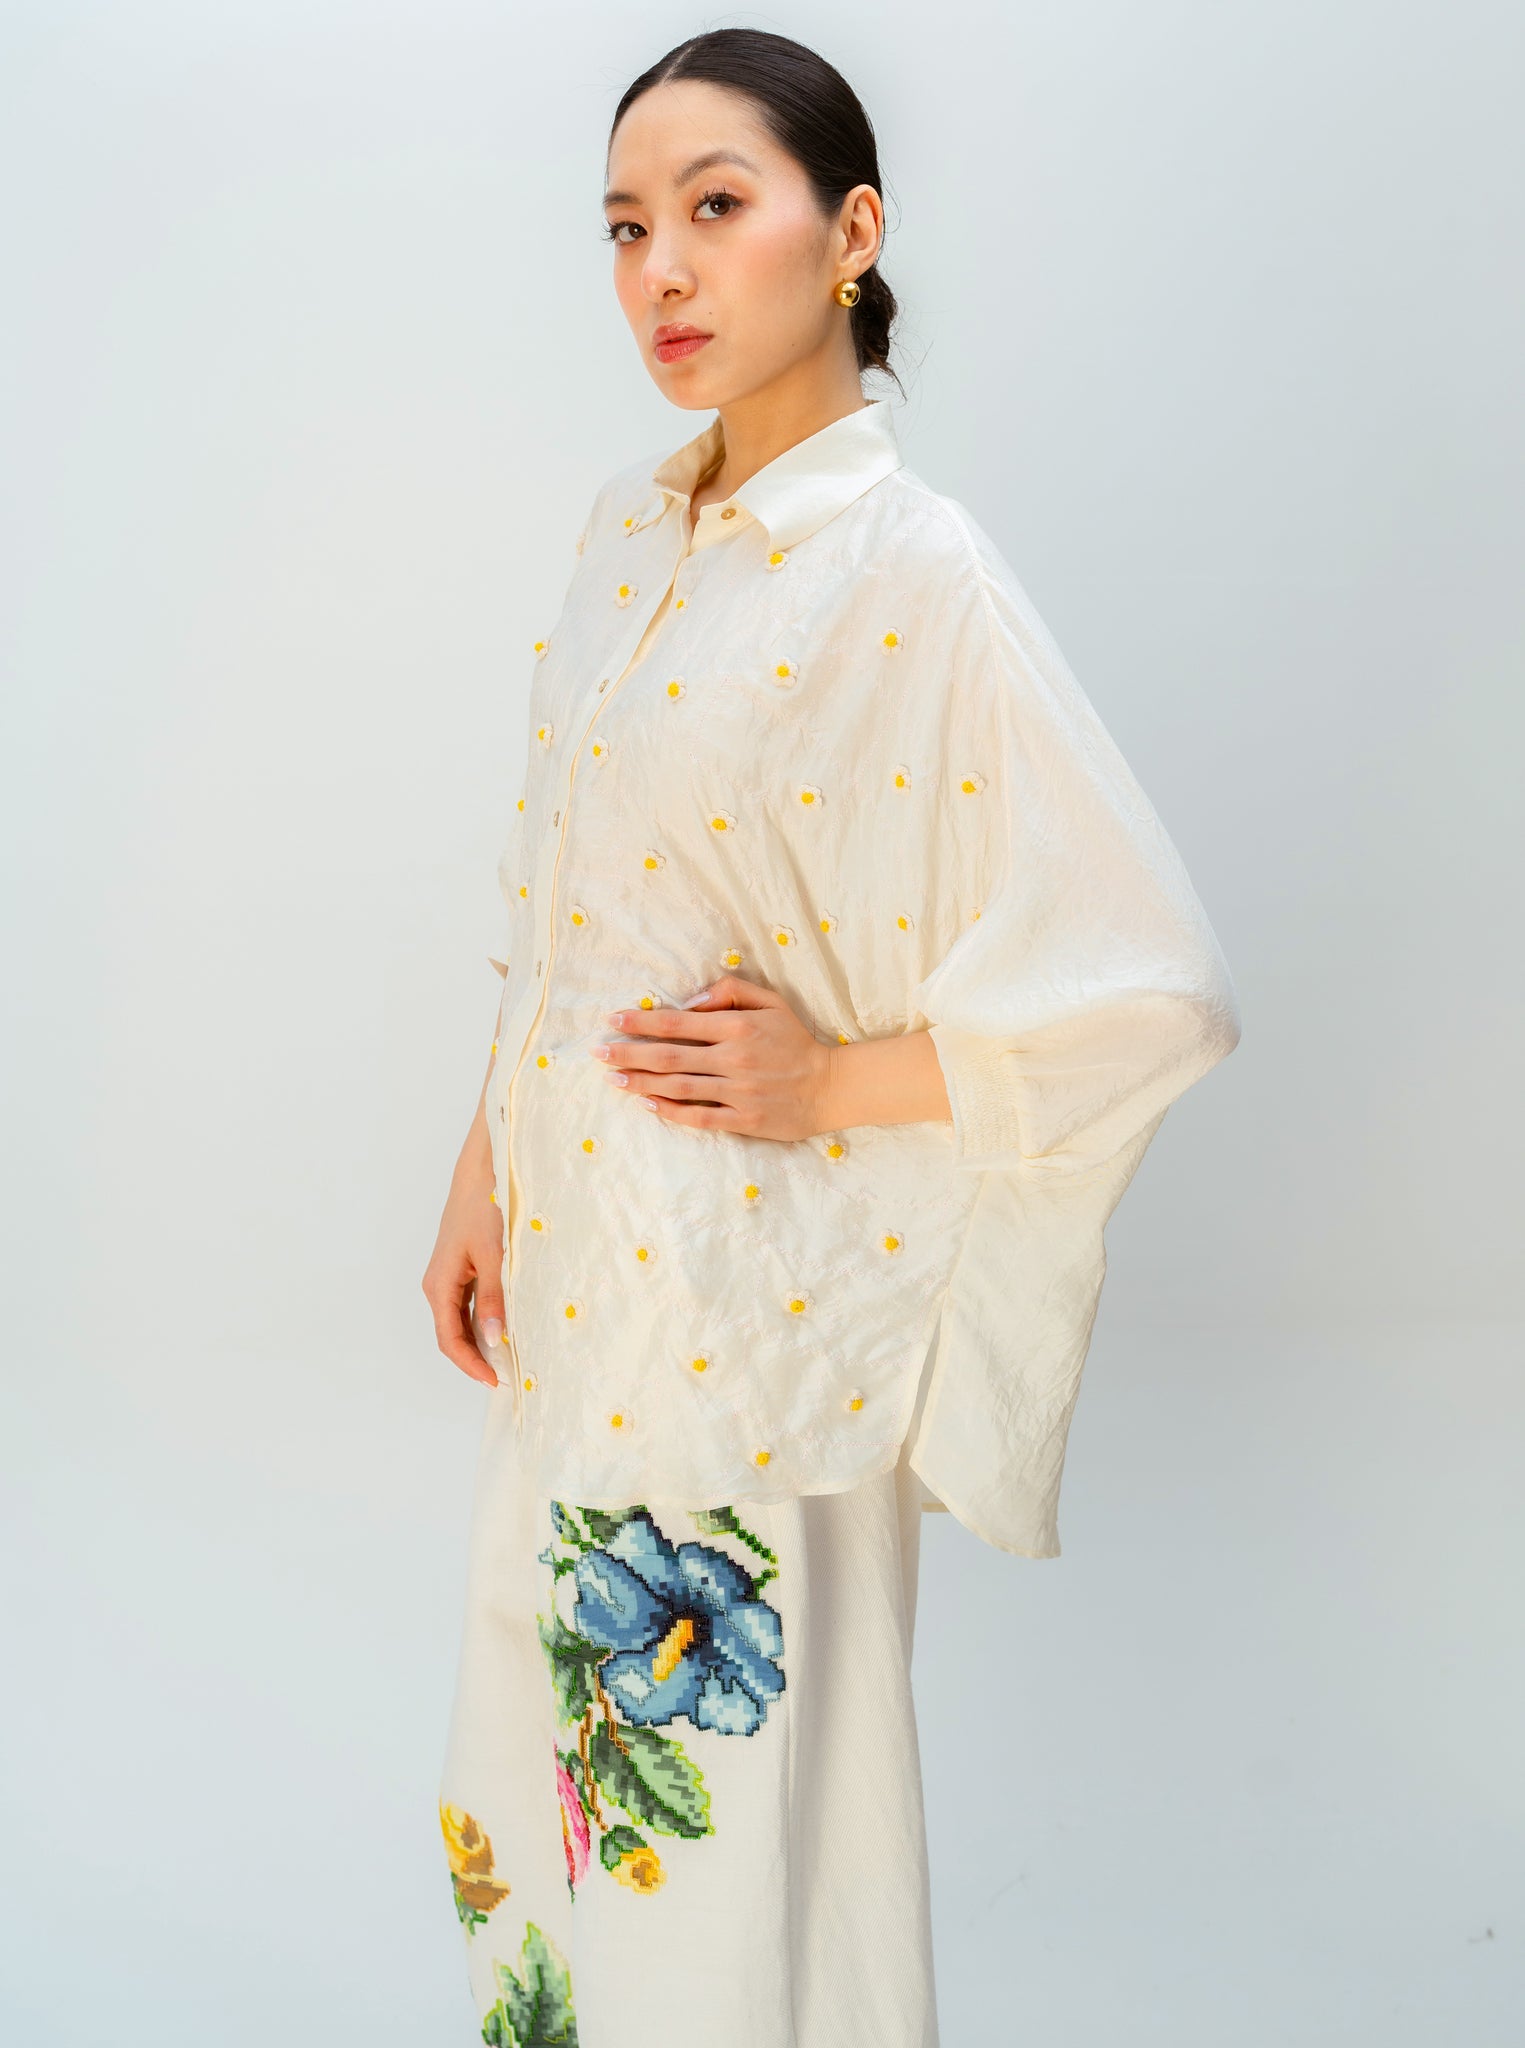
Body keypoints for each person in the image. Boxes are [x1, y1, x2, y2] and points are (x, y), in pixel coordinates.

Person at [423, 27, 1240, 2048]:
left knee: (749, 1863)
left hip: (773, 1309)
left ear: (851, 231)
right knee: (550, 1809)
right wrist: (483, 1167)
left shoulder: (911, 567)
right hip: (588, 1280)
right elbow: (568, 893)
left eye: (716, 207)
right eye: (626, 228)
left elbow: (1151, 982)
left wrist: (830, 1082)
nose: (662, 272)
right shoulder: (629, 534)